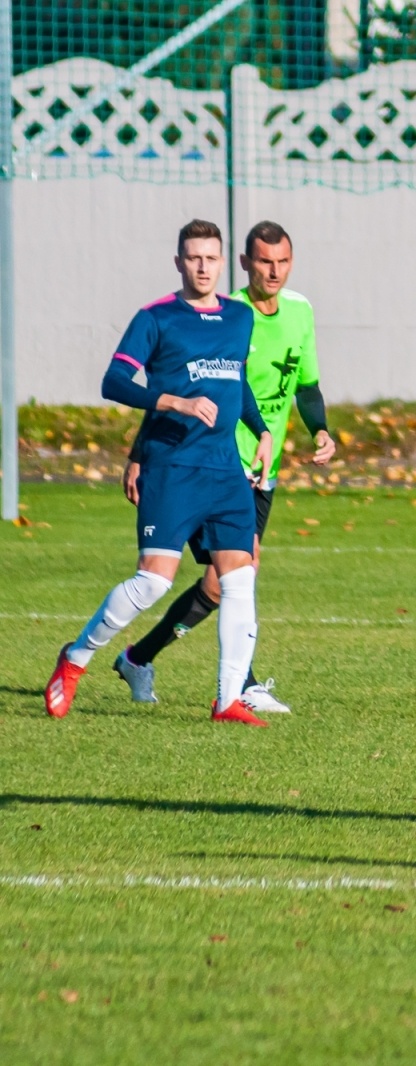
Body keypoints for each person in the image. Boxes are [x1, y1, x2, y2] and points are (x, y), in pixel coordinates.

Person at [45, 219, 274, 727]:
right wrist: (171, 401)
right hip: (172, 468)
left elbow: (236, 382)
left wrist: (260, 430)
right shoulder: (155, 317)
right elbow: (113, 381)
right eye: (193, 257)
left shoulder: (240, 318)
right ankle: (76, 658)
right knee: (153, 582)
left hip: (225, 471)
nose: (202, 266)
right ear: (178, 262)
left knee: (239, 578)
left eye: (211, 258)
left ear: (222, 261)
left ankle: (227, 699)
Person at [113, 220, 334, 714]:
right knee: (238, 572)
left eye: (282, 262)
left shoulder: (299, 312)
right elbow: (174, 384)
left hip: (263, 466)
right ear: (245, 264)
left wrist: (319, 429)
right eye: (263, 262)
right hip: (208, 463)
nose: (273, 272)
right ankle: (241, 687)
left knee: (219, 583)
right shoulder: (223, 313)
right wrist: (138, 453)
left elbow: (306, 384)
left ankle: (137, 657)